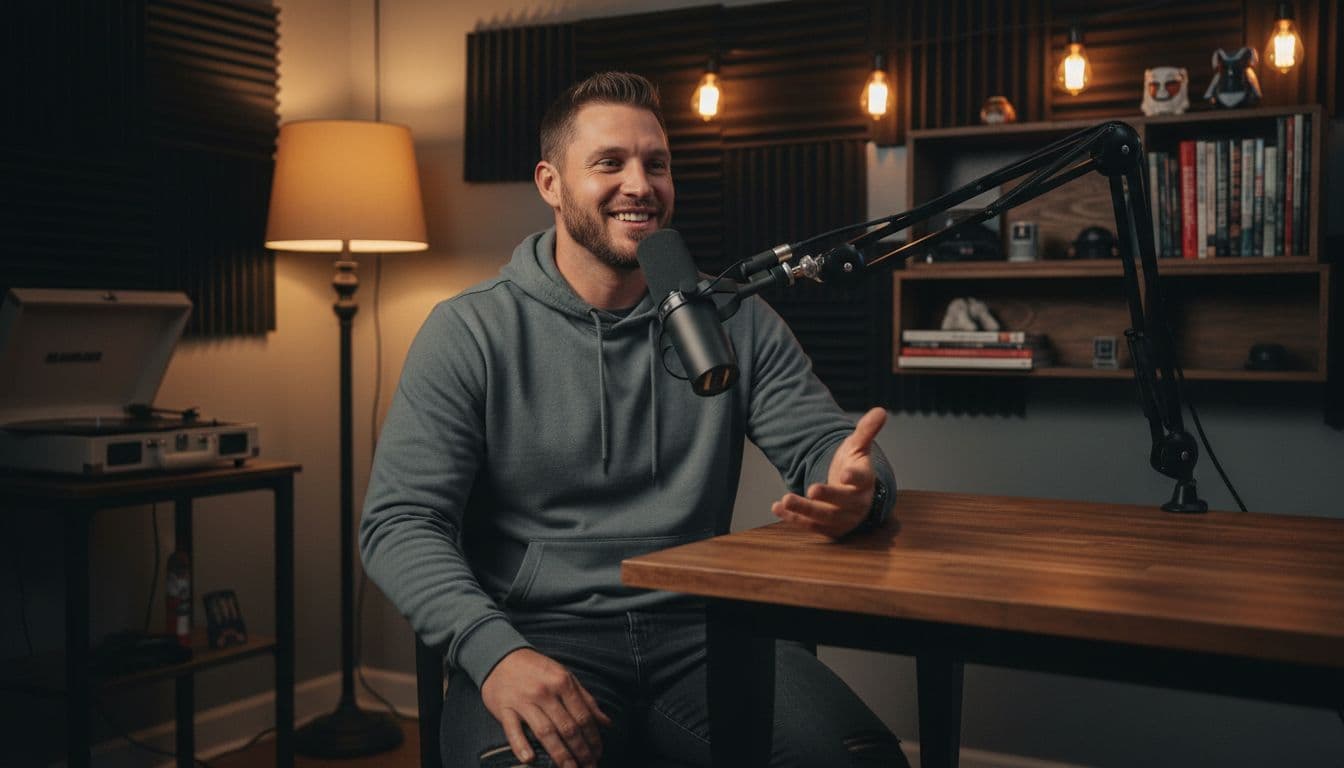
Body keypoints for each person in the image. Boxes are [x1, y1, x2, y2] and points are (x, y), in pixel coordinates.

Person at [361, 71, 910, 768]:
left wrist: (861, 487)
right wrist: (494, 654)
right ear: (551, 184)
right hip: (539, 634)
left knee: (860, 762)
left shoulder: (734, 317)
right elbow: (399, 522)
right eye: (609, 163)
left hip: (710, 626)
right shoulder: (469, 331)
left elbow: (830, 446)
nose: (640, 184)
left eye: (657, 163)